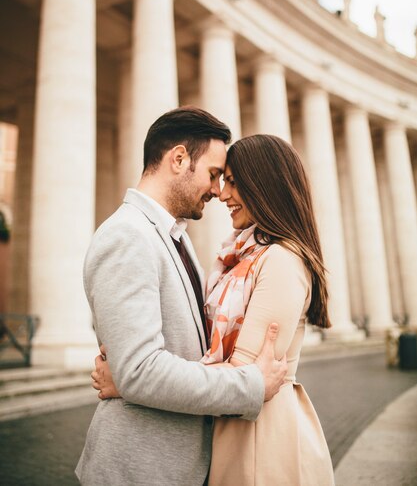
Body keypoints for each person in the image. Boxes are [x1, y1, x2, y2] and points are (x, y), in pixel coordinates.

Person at [93, 133, 335, 486]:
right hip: (230, 430)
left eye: (233, 182)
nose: (221, 193)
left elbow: (246, 373)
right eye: (219, 178)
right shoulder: (238, 258)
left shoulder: (281, 260)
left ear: (263, 185)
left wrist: (132, 380)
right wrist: (138, 376)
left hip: (260, 441)